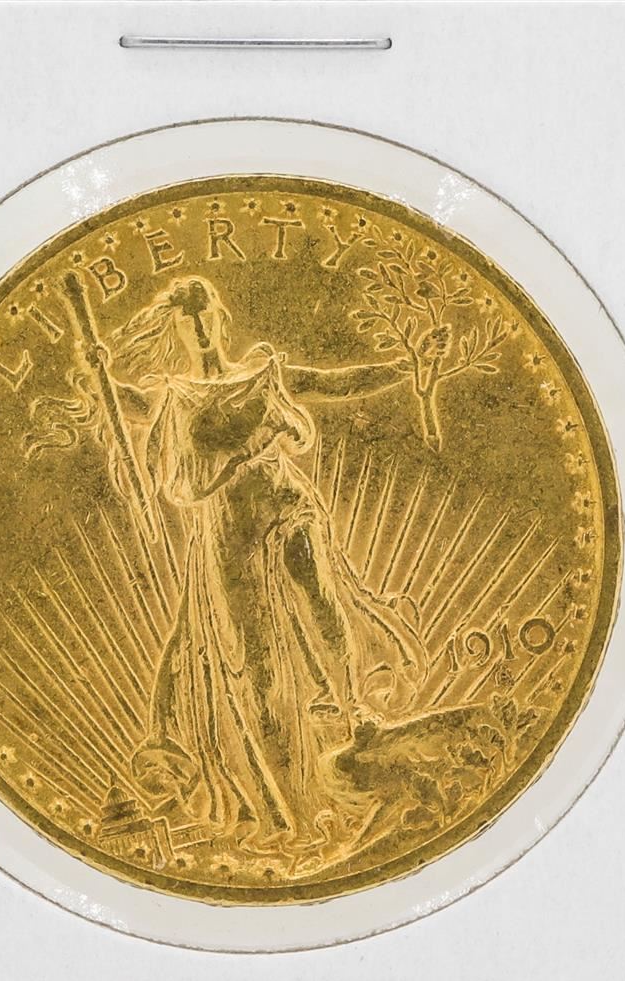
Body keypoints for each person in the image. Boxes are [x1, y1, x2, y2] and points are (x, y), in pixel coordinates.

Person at [61, 276, 428, 861]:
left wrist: (405, 366)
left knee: (322, 598)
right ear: (178, 328)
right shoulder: (174, 396)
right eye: (189, 319)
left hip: (285, 504)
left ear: (220, 317)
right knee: (251, 655)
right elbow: (124, 404)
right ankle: (281, 768)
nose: (200, 326)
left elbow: (332, 383)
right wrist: (98, 371)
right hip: (229, 533)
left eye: (206, 313)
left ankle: (351, 707)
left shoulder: (262, 374)